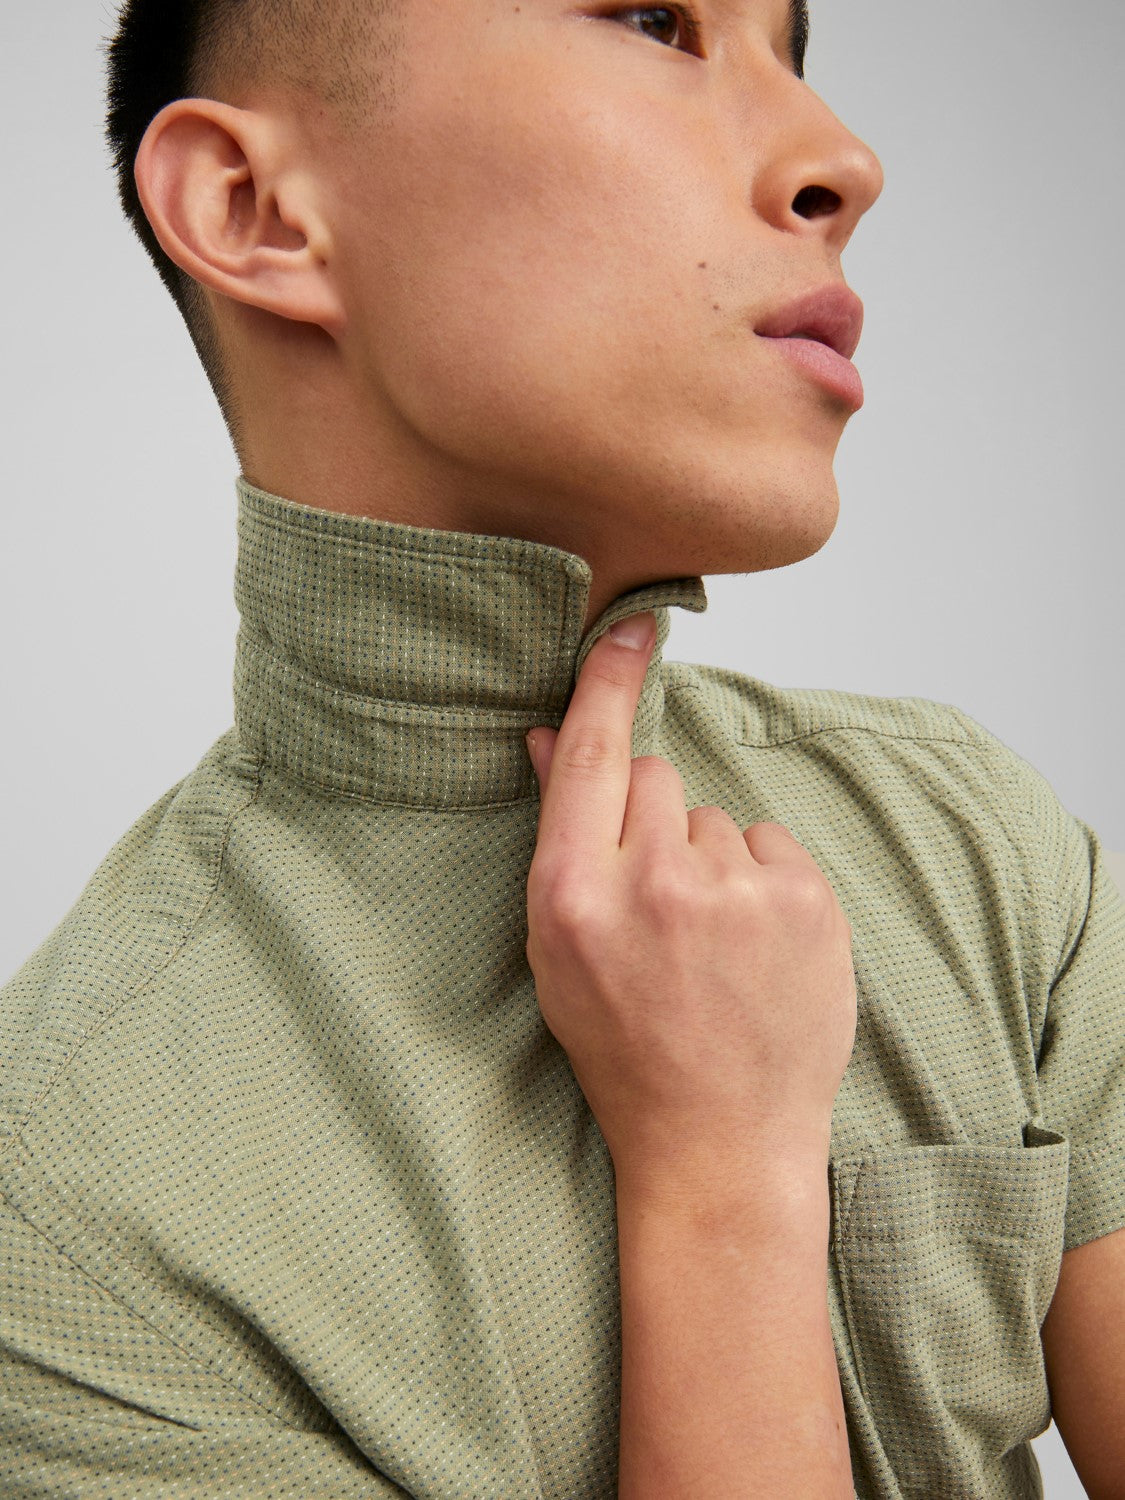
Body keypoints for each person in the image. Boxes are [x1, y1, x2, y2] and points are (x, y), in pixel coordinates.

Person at [1, 0, 1123, 1495]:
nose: (842, 161)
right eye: (658, 21)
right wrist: (722, 1172)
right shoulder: (63, 1219)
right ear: (251, 209)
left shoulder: (973, 845)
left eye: (793, 55)